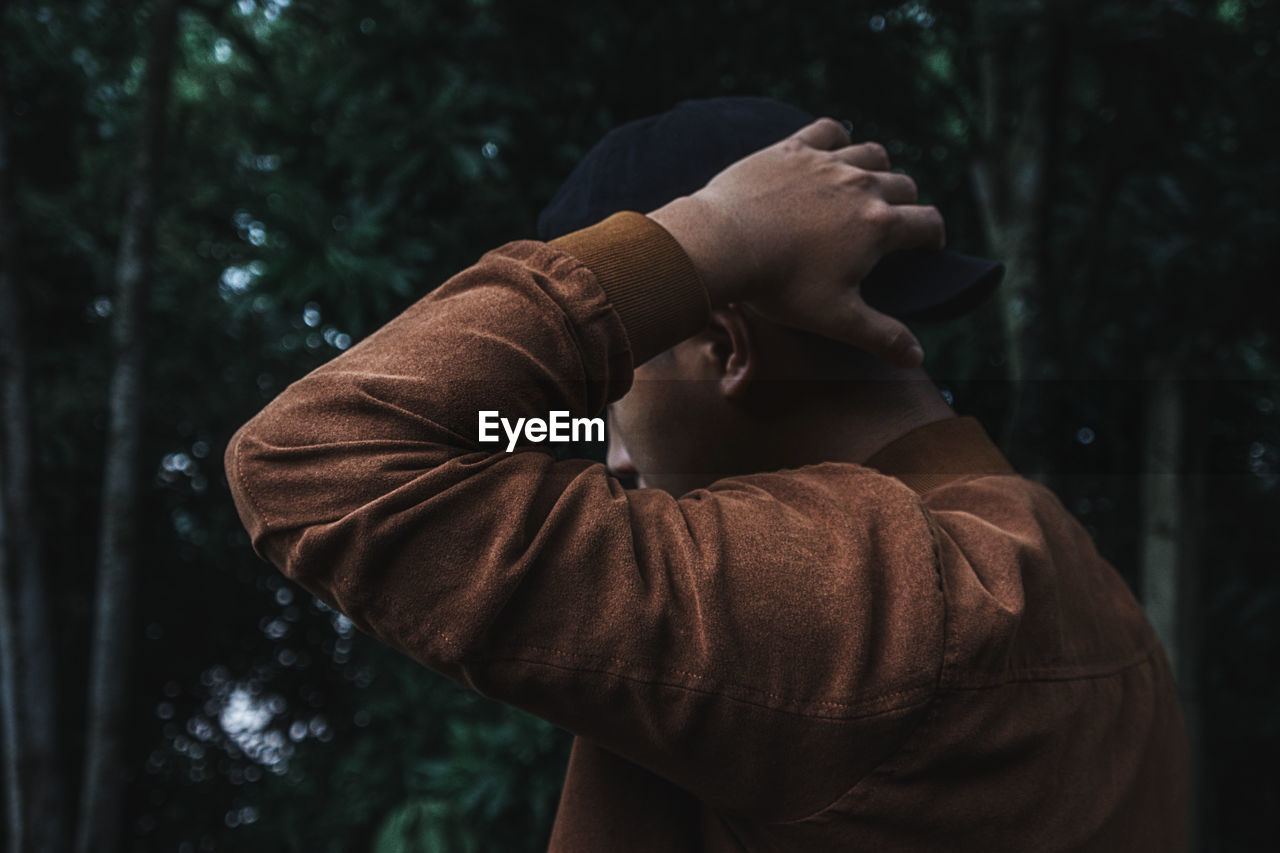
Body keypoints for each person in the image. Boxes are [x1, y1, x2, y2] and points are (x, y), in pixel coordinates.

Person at [224, 97, 1189, 851]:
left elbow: (313, 456)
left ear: (726, 349)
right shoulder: (1083, 586)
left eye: (610, 400)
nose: (611, 452)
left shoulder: (868, 596)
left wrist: (711, 234)